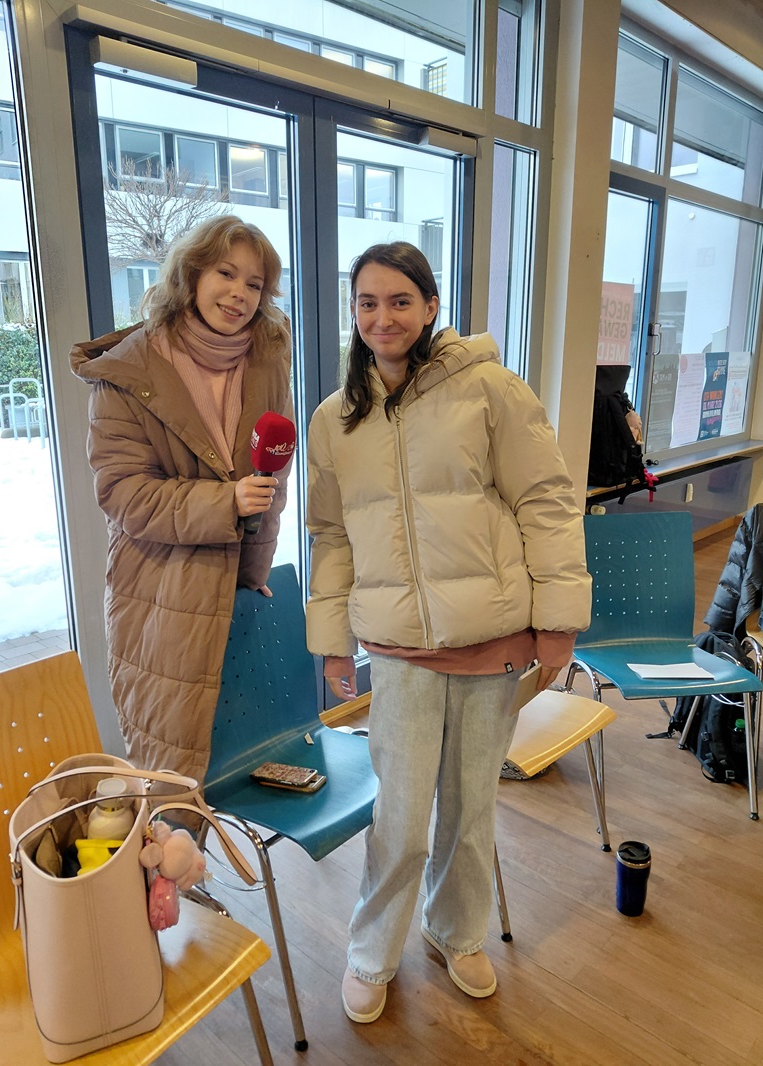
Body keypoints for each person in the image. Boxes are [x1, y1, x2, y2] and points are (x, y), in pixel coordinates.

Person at [305, 241, 591, 1024]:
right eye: (367, 302)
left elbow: (546, 501)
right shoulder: (337, 419)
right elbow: (330, 536)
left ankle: (458, 931)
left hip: (491, 643)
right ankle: (373, 949)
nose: (382, 316)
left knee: (470, 812)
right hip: (396, 651)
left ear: (431, 307)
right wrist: (332, 639)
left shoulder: (489, 389)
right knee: (398, 817)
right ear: (353, 313)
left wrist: (557, 621)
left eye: (400, 300)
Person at [70, 214, 294, 784]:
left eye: (255, 284)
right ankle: (174, 874)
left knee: (238, 764)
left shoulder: (267, 354)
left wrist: (253, 568)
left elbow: (271, 478)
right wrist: (225, 503)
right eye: (226, 273)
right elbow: (123, 493)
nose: (240, 293)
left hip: (234, 588)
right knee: (171, 776)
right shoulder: (129, 371)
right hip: (161, 592)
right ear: (191, 273)